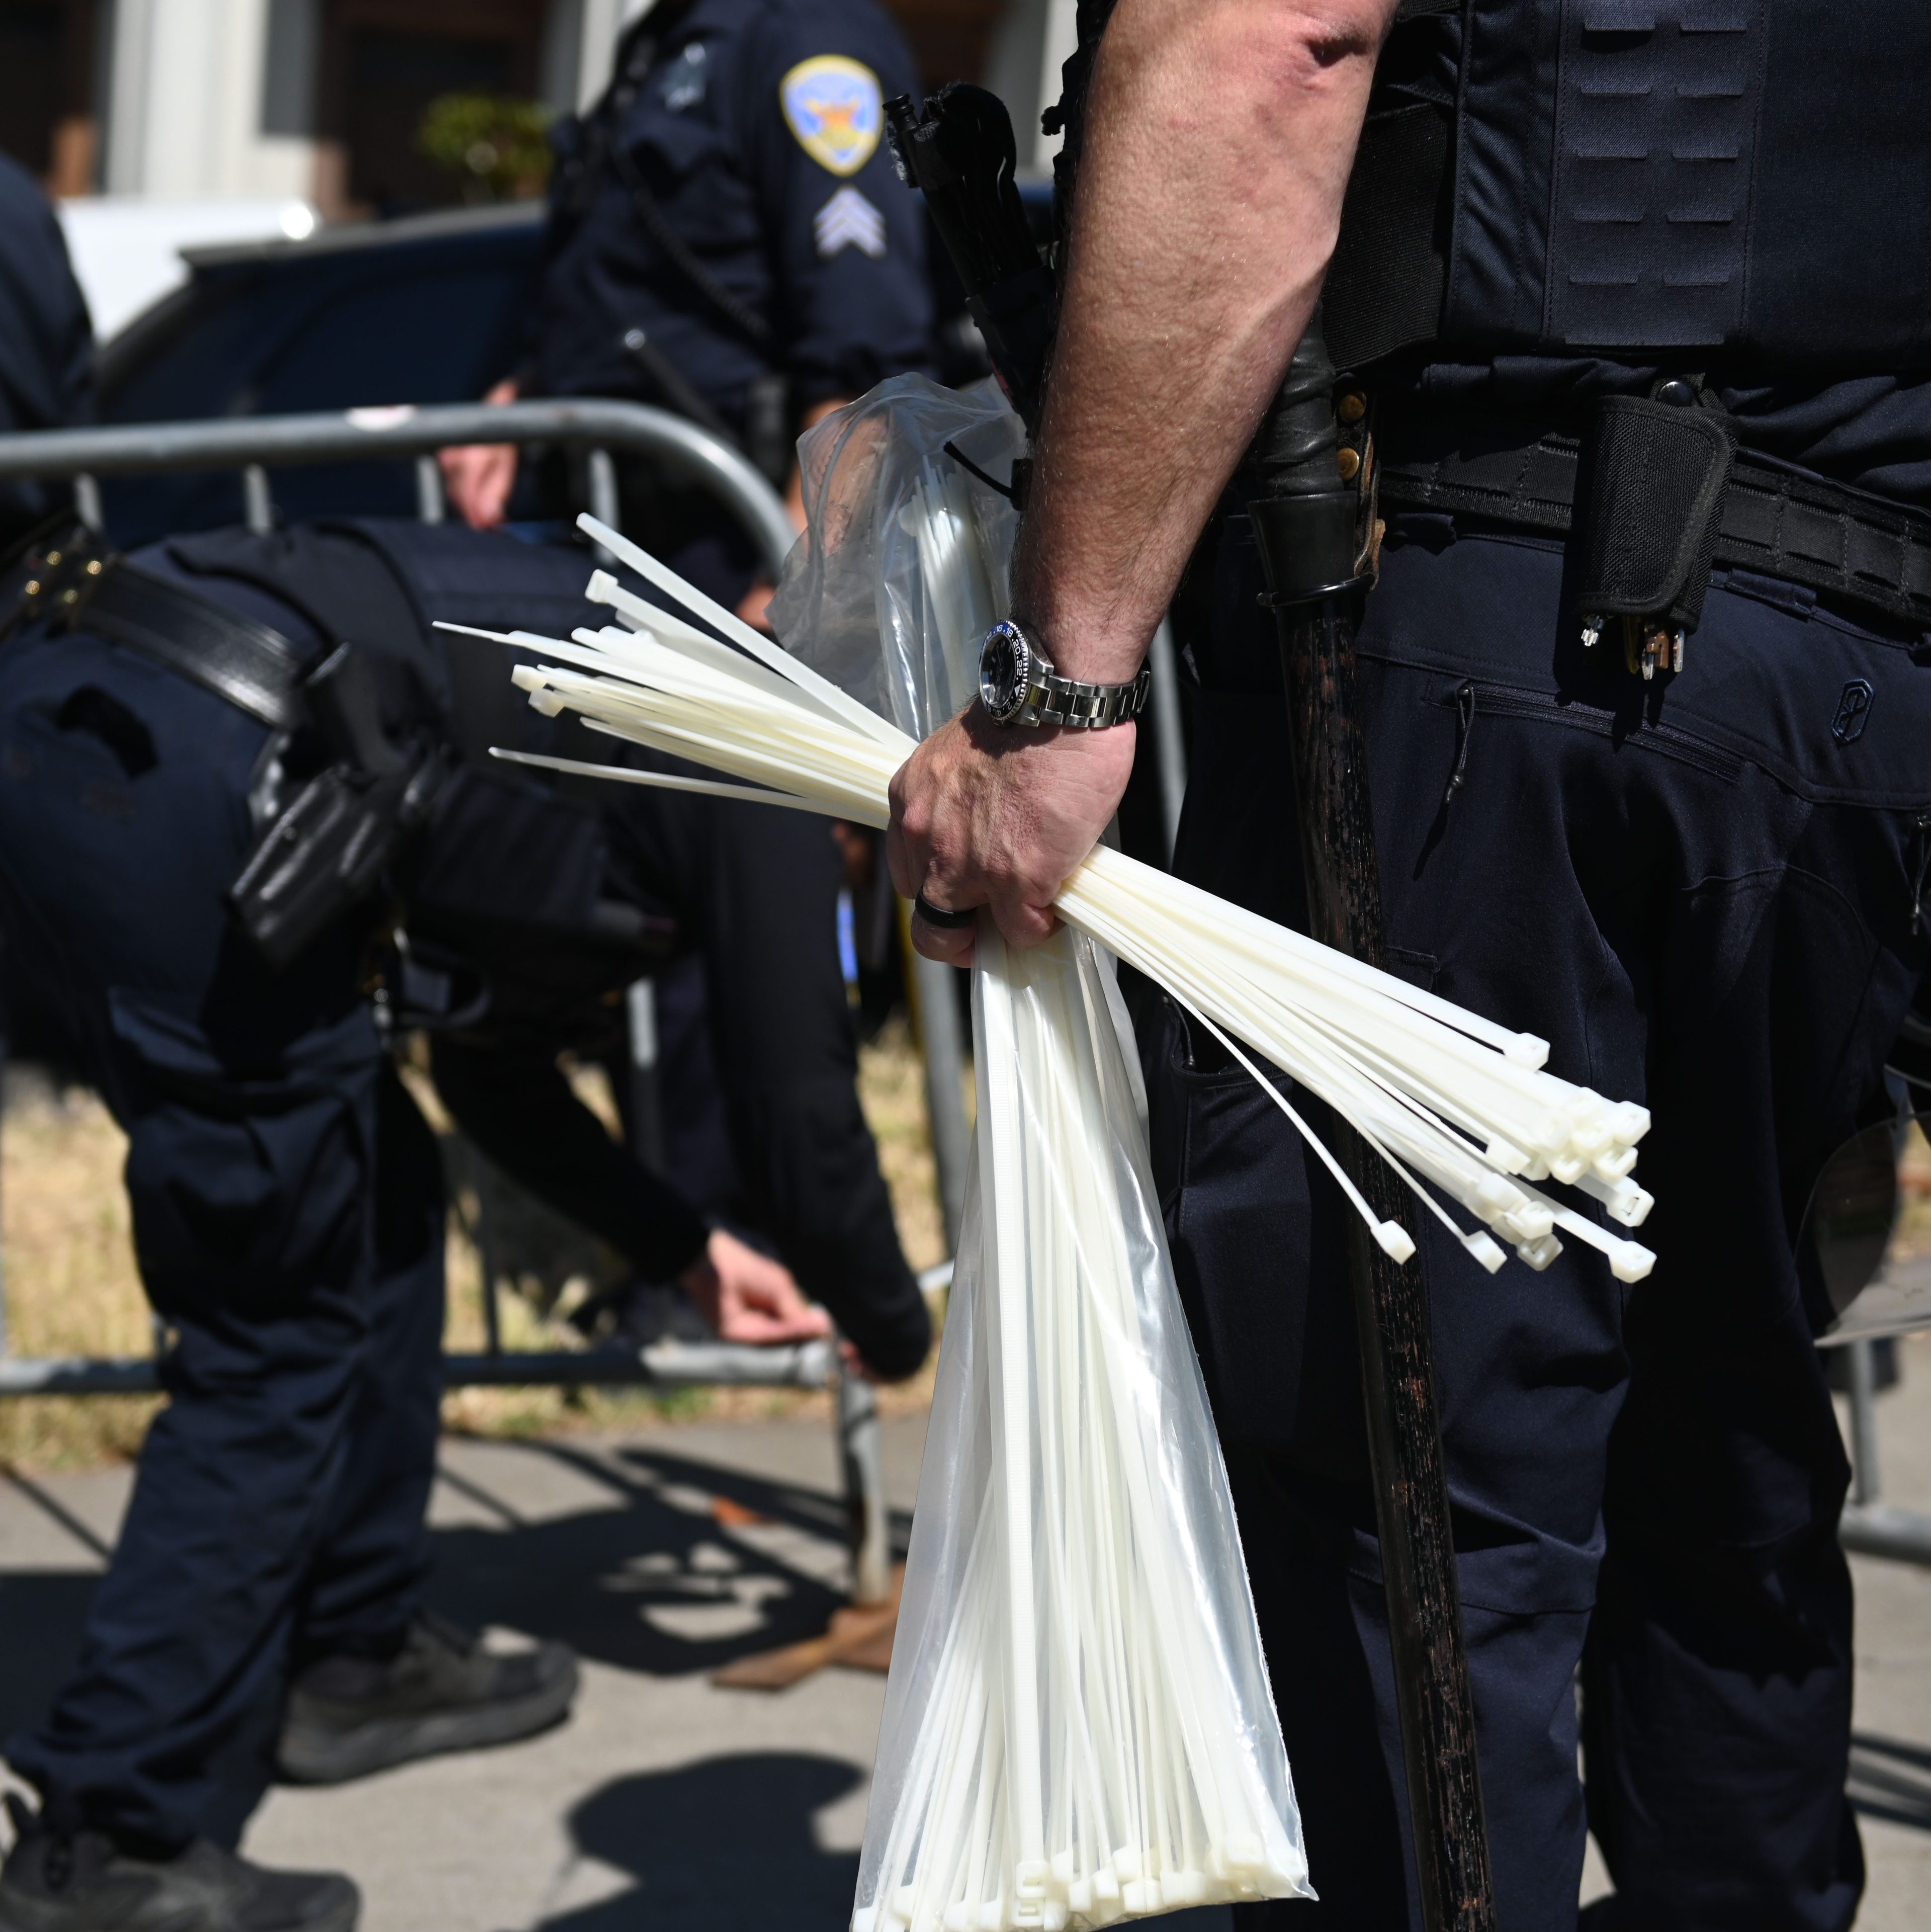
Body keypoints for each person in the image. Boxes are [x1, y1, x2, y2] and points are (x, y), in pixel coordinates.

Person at [887, 5, 1931, 1928]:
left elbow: (1266, 41)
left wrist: (1061, 679)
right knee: (1722, 1439)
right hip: (1845, 672)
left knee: (1422, 1493)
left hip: (1491, 642)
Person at [0, 517, 835, 1932]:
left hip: (91, 719)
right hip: (188, 789)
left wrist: (682, 1254)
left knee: (377, 1184)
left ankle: (353, 1646)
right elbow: (799, 1110)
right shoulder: (739, 727)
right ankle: (111, 1832)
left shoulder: (596, 608)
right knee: (270, 1333)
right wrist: (887, 1327)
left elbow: (486, 1081)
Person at [439, 0, 933, 626]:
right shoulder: (668, 41)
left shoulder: (806, 31)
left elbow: (867, 369)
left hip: (734, 560)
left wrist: (792, 603)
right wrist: (524, 399)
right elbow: (645, 298)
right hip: (624, 546)